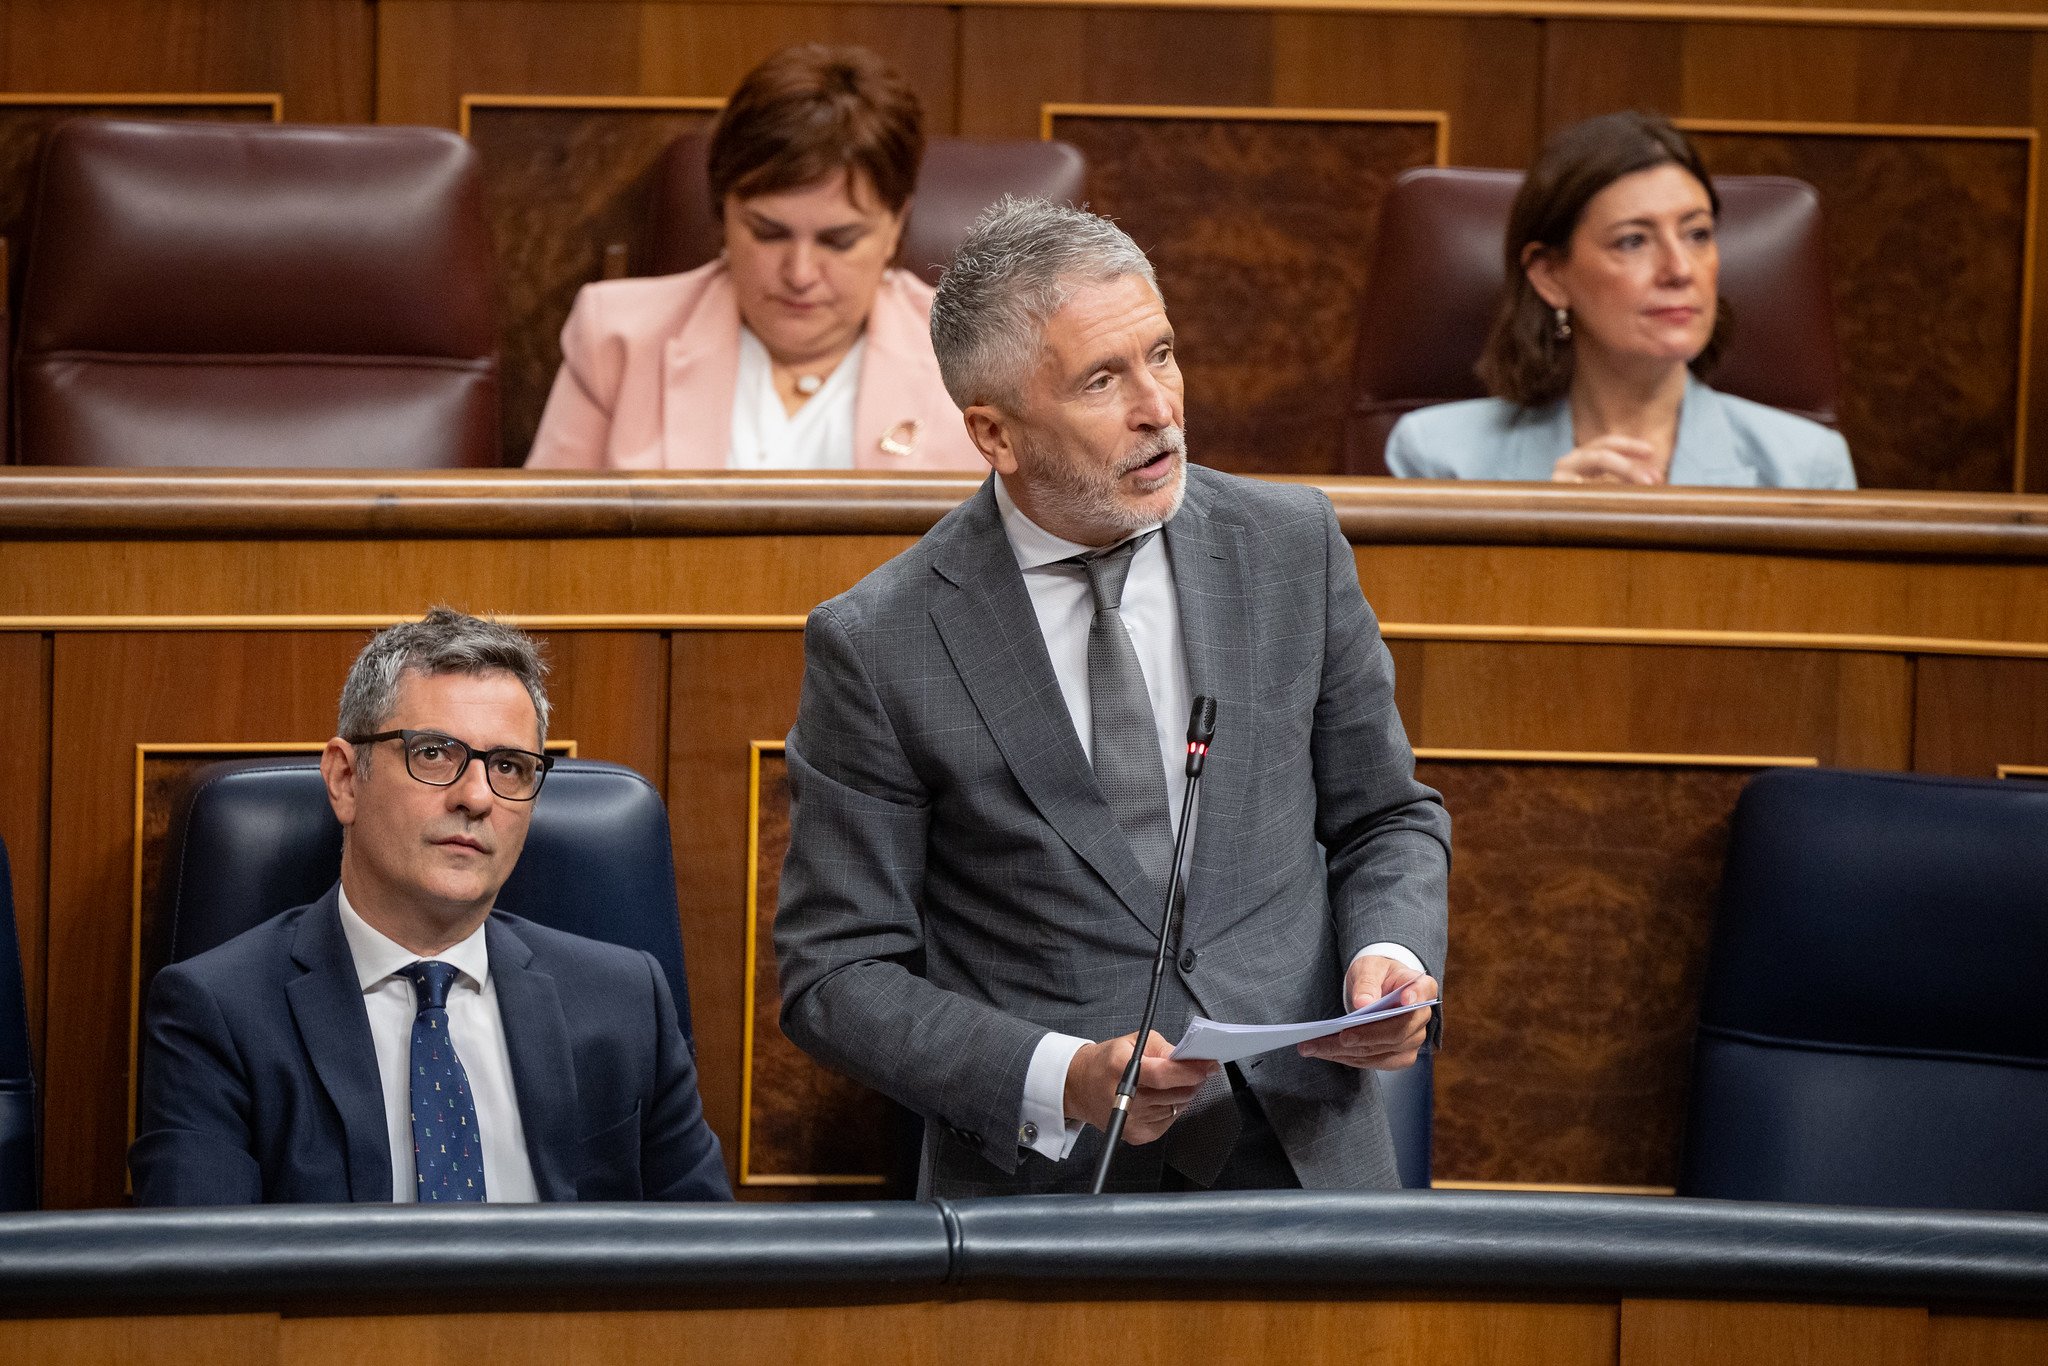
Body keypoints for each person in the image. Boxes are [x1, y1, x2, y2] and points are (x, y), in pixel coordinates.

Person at [775, 198, 1449, 1197]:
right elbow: (834, 976)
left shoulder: (1288, 548)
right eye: (1103, 379)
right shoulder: (881, 641)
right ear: (993, 434)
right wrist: (1062, 1076)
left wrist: (1386, 953)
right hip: (1045, 1188)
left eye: (1162, 354)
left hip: (1303, 1157)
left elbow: (1385, 816)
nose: (1158, 408)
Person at [131, 609, 731, 1205]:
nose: (475, 797)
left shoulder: (626, 1001)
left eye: (508, 767)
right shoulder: (218, 1014)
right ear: (344, 779)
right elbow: (202, 1284)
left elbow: (710, 1266)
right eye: (436, 754)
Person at [525, 43, 980, 472]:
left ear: (896, 224)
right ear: (723, 211)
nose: (799, 274)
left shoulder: (979, 360)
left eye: (838, 241)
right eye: (768, 233)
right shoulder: (616, 337)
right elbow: (542, 547)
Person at [1385, 111, 1856, 489]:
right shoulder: (1436, 458)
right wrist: (1541, 532)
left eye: (1697, 234)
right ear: (1551, 276)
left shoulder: (1806, 468)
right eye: (1633, 241)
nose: (1680, 270)